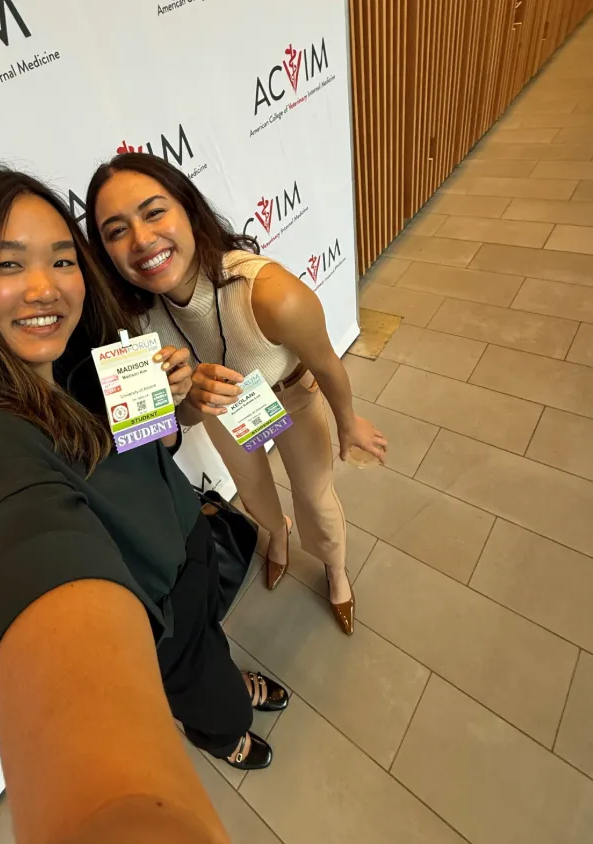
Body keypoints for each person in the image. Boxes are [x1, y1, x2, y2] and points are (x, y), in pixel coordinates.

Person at [0, 166, 290, 843]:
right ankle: (224, 732)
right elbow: (27, 545)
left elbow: (157, 450)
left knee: (212, 651)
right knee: (209, 698)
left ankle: (224, 680)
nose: (45, 287)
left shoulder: (88, 359)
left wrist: (169, 403)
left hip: (193, 551)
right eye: (8, 265)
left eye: (62, 260)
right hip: (153, 619)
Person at [85, 153, 388, 636]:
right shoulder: (135, 323)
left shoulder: (269, 292)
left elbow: (327, 362)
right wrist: (186, 398)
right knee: (252, 489)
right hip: (225, 409)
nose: (141, 240)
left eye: (154, 212)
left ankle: (335, 568)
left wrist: (349, 422)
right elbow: (176, 427)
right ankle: (276, 533)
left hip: (292, 394)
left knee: (315, 496)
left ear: (189, 210)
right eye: (116, 231)